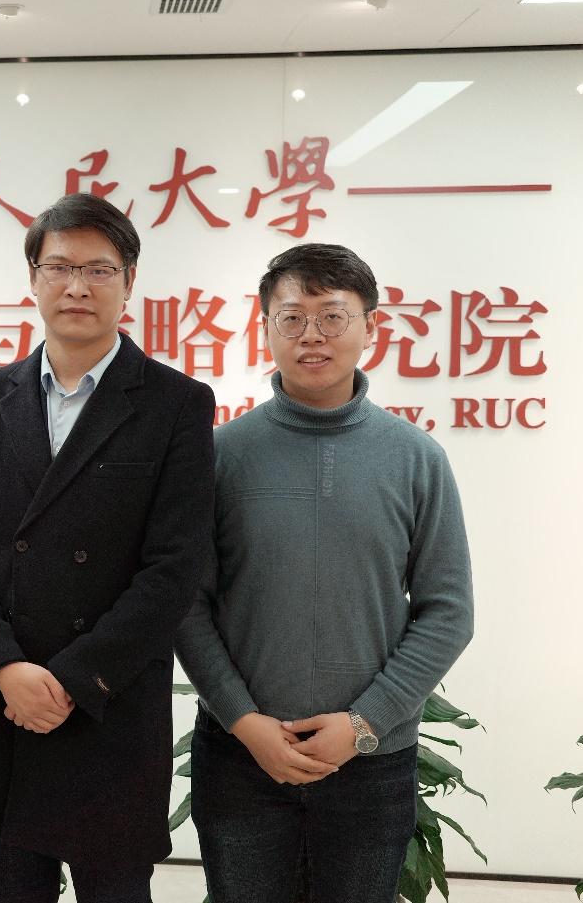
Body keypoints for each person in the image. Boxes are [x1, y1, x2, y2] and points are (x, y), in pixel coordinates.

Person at [176, 243, 474, 903]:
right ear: (266, 329)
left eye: (333, 316)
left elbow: (448, 611)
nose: (311, 335)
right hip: (241, 759)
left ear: (371, 327)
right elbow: (186, 604)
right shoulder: (219, 456)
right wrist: (244, 720)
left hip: (372, 762)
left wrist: (364, 723)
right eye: (291, 318)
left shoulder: (417, 458)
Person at [0, 193, 216, 903]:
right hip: (6, 706)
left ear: (129, 282)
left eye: (99, 269)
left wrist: (72, 680)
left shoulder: (176, 402)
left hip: (106, 706)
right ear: (33, 279)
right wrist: (4, 665)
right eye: (59, 267)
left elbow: (174, 568)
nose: (77, 286)